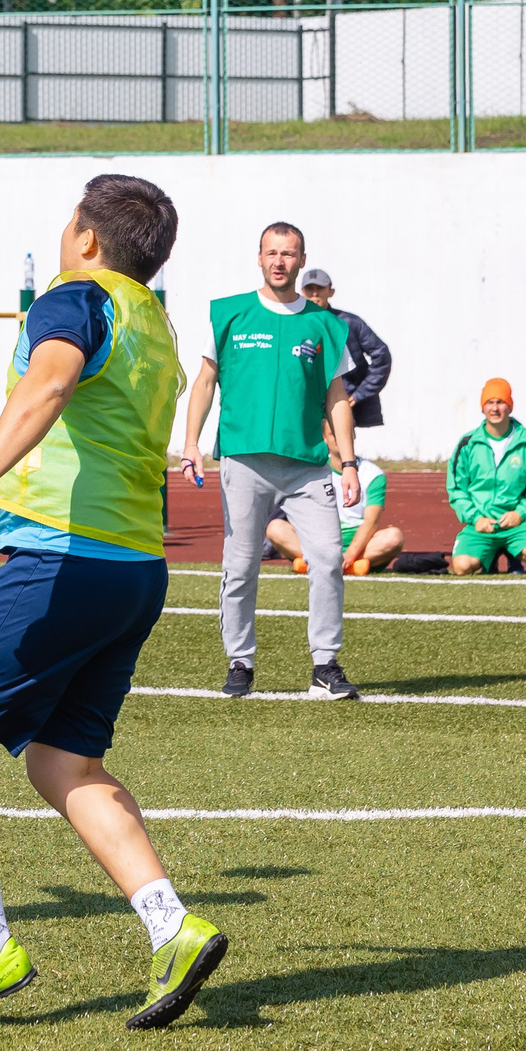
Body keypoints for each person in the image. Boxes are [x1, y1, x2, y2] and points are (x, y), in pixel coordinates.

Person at [0, 173, 227, 1029]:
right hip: (135, 569)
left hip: (65, 559)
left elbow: (50, 386)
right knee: (62, 763)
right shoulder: (152, 322)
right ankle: (172, 926)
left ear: (86, 238)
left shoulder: (76, 298)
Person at [180, 223, 360, 702]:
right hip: (244, 463)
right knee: (240, 567)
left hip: (308, 466)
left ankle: (325, 665)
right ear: (259, 258)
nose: (280, 261)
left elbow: (337, 398)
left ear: (302, 261)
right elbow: (204, 382)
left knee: (328, 559)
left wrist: (349, 464)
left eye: (289, 253)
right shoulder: (229, 314)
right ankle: (240, 662)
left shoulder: (326, 325)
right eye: (272, 253)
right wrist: (191, 443)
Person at [447, 379, 526, 575]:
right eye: (490, 402)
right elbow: (456, 489)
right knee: (462, 567)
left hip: (517, 524)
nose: (495, 408)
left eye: (500, 402)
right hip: (481, 525)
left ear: (510, 406)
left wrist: (520, 513)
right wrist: (476, 518)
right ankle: (491, 556)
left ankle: (513, 553)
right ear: (482, 407)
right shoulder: (468, 444)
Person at [269, 455, 403, 576]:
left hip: (361, 545)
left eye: (345, 437)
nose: (340, 440)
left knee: (394, 537)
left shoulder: (372, 473)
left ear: (353, 438)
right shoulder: (313, 470)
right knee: (275, 528)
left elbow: (371, 522)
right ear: (325, 439)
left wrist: (350, 555)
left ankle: (316, 564)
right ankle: (350, 566)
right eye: (334, 436)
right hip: (319, 543)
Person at [297, 266, 393, 431]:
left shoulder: (348, 323)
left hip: (345, 402)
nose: (314, 294)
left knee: (341, 443)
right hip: (307, 403)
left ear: (331, 291)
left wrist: (359, 394)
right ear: (302, 292)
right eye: (309, 289)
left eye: (319, 288)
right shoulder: (294, 324)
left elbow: (381, 356)